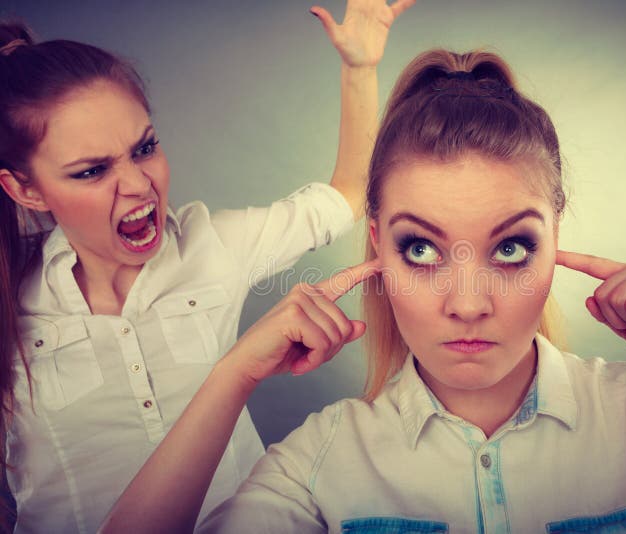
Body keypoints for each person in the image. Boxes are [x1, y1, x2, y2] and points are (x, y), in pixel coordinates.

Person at [102, 49, 626, 533]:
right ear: (376, 245)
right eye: (422, 249)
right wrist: (232, 376)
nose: (468, 304)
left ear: (557, 239)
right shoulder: (321, 462)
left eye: (512, 248)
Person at [0, 1, 414, 532]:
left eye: (144, 147)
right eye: (92, 171)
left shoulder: (211, 244)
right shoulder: (12, 298)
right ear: (25, 189)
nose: (138, 183)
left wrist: (359, 70)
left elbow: (348, 195)